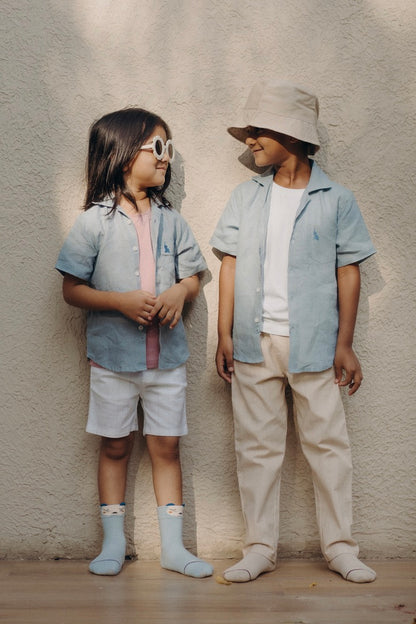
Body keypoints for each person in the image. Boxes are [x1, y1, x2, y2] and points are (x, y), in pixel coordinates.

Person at [210, 81, 377, 584]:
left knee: (328, 444)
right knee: (255, 446)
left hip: (316, 346)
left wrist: (344, 344)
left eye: (258, 130)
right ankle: (259, 548)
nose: (250, 140)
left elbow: (349, 271)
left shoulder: (336, 199)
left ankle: (341, 547)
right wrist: (223, 335)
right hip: (252, 342)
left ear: (291, 133)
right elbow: (231, 266)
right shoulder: (246, 196)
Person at [56, 107, 213, 578]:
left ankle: (173, 548)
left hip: (167, 360)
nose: (166, 159)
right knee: (115, 446)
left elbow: (194, 275)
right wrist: (120, 302)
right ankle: (114, 543)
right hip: (112, 361)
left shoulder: (173, 219)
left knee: (166, 447)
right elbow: (71, 289)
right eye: (157, 148)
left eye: (168, 148)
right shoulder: (94, 222)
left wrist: (182, 291)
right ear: (123, 154)